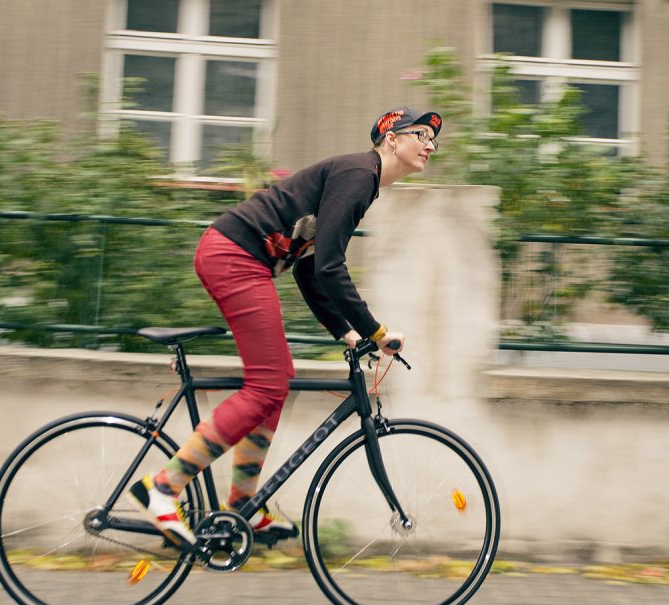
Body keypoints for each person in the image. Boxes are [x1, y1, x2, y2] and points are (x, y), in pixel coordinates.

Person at [128, 107, 442, 550]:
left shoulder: (361, 181)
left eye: (434, 139)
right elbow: (332, 268)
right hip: (235, 258)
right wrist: (375, 330)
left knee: (275, 384)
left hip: (242, 260)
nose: (431, 145)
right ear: (392, 140)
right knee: (269, 383)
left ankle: (242, 505)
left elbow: (310, 269)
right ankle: (163, 486)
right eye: (422, 135)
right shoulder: (358, 175)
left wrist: (346, 334)